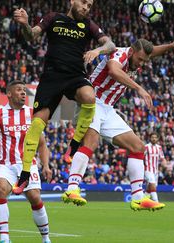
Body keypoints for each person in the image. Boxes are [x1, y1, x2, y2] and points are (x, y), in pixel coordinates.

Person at [62, 35, 174, 210]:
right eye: (140, 60)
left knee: (138, 147)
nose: (141, 64)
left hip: (108, 108)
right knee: (91, 141)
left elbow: (155, 51)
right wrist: (139, 88)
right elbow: (114, 71)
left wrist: (173, 44)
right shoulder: (119, 54)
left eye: (145, 61)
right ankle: (72, 188)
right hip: (92, 100)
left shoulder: (137, 56)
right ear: (133, 51)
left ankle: (138, 197)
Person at [12, 0, 116, 194]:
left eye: (90, 5)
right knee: (36, 125)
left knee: (89, 97)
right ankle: (24, 176)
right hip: (52, 76)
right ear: (72, 1)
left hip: (75, 75)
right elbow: (32, 35)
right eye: (84, 2)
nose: (86, 7)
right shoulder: (54, 18)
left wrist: (97, 50)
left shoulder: (88, 25)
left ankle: (74, 144)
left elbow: (110, 44)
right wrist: (25, 24)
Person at [0, 81, 53, 243]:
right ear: (9, 94)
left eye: (24, 91)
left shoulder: (33, 114)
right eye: (19, 90)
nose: (23, 93)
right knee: (0, 189)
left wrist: (46, 165)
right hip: (5, 164)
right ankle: (4, 238)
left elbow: (41, 143)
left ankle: (46, 237)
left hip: (27, 164)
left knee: (35, 197)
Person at [144, 132, 167, 203]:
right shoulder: (146, 147)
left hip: (155, 171)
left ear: (157, 139)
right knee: (152, 185)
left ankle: (143, 201)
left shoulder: (159, 148)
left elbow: (162, 158)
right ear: (150, 138)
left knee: (149, 187)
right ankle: (156, 202)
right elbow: (141, 157)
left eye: (155, 137)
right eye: (152, 137)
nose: (154, 139)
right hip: (147, 169)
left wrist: (165, 164)